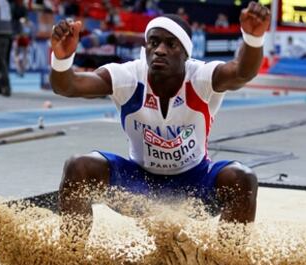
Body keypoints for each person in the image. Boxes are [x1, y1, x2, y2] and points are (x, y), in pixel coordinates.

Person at [50, 2, 270, 236]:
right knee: (78, 166)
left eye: (170, 44)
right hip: (138, 184)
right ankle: (71, 257)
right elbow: (68, 86)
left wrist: (253, 39)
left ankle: (231, 264)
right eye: (153, 43)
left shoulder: (202, 78)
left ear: (186, 54)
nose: (160, 50)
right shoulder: (128, 77)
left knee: (243, 178)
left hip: (193, 183)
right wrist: (61, 60)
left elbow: (241, 73)